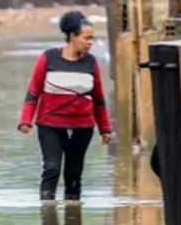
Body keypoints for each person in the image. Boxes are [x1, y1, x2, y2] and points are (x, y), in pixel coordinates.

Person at [18, 11, 113, 202]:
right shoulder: (49, 58)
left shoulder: (91, 63)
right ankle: (48, 218)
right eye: (86, 38)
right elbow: (33, 93)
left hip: (82, 127)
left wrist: (105, 128)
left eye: (92, 38)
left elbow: (98, 100)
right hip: (50, 125)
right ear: (72, 36)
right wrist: (25, 121)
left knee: (74, 172)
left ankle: (73, 220)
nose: (90, 42)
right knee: (51, 168)